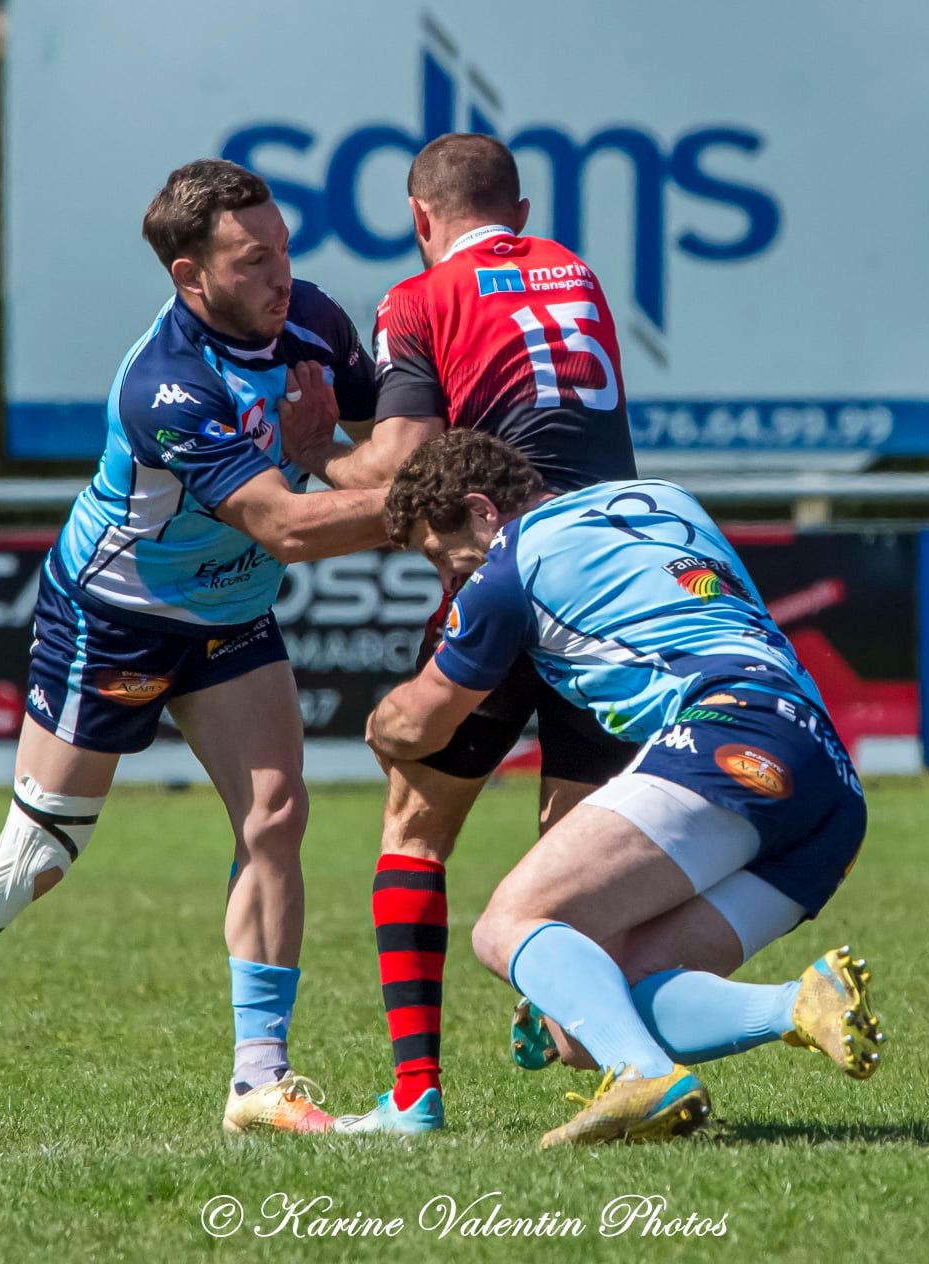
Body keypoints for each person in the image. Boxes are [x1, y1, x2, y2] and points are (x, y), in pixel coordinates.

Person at [0, 160, 389, 1137]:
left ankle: (258, 1079)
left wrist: (349, 453)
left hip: (232, 614)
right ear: (188, 275)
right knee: (39, 851)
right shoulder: (165, 385)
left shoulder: (318, 323)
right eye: (253, 260)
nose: (282, 274)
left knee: (276, 815)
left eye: (285, 248)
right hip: (114, 616)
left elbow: (372, 453)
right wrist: (426, 510)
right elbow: (289, 526)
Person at [364, 431, 883, 1147]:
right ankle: (798, 1005)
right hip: (831, 784)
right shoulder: (671, 501)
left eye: (440, 556)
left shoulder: (508, 565)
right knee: (590, 1020)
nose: (449, 577)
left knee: (505, 924)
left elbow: (423, 721)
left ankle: (644, 1073)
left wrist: (381, 727)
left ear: (482, 512)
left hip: (728, 731)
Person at [276, 133, 641, 1135]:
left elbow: (401, 463)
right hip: (612, 577)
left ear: (418, 218)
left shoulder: (418, 296)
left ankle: (414, 1095)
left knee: (413, 829)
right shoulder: (579, 273)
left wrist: (316, 454)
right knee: (571, 855)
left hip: (509, 566)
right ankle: (599, 1049)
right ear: (517, 215)